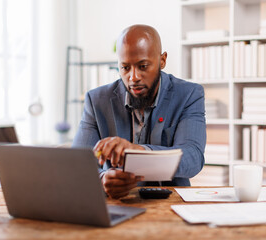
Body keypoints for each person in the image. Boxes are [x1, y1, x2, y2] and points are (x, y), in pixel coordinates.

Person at [72, 24, 206, 199]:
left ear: (162, 60)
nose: (133, 77)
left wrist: (138, 151)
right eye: (125, 68)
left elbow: (193, 158)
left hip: (170, 204)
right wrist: (102, 179)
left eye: (142, 66)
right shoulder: (97, 100)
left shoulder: (188, 94)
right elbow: (77, 166)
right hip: (117, 204)